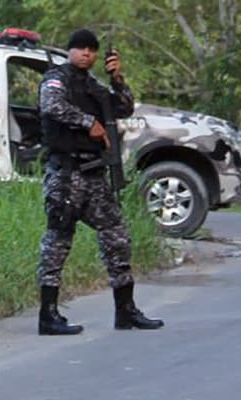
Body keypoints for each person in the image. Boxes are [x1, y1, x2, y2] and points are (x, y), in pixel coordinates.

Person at [35, 29, 163, 335]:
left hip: (94, 176)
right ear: (70, 51)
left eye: (91, 50)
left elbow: (124, 107)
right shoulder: (57, 79)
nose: (86, 54)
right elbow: (51, 105)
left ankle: (126, 310)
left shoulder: (94, 86)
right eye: (80, 48)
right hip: (66, 175)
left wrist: (117, 78)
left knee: (117, 237)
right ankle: (48, 315)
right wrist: (86, 122)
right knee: (57, 243)